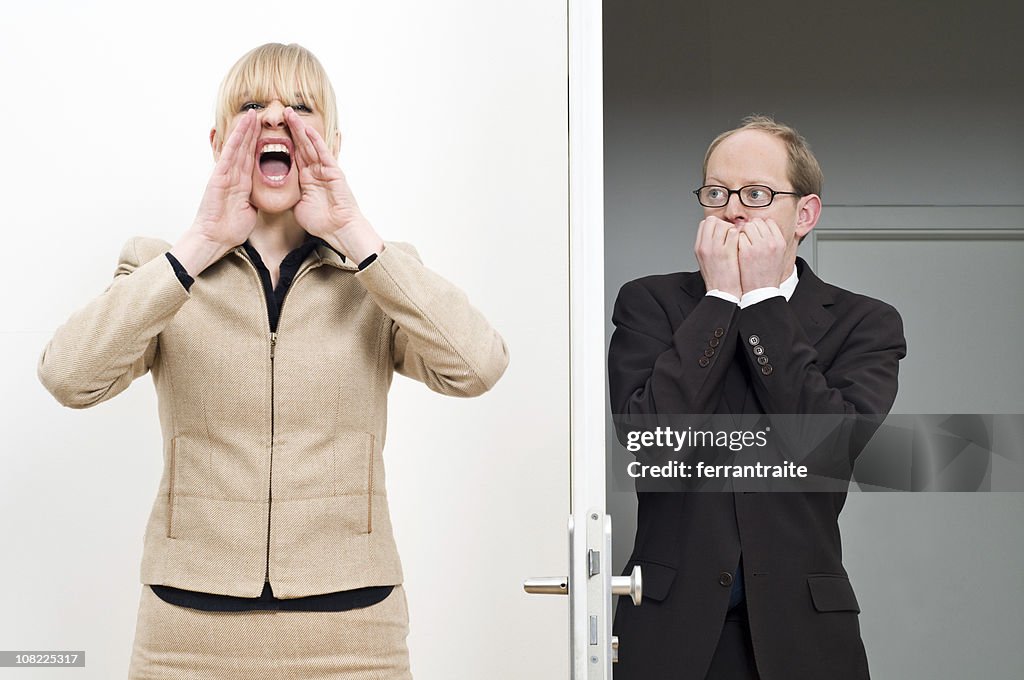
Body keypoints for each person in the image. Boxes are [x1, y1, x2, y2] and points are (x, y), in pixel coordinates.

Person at [37, 42, 509, 679]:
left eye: (301, 107)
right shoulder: (160, 267)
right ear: (216, 141)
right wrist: (199, 245)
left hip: (352, 636)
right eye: (251, 105)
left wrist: (355, 232)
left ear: (333, 143)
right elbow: (68, 376)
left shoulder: (379, 271)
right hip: (187, 635)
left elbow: (477, 365)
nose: (275, 118)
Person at [607, 115, 906, 680]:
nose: (733, 209)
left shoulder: (866, 323)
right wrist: (719, 298)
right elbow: (649, 440)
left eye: (757, 194)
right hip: (671, 628)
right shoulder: (649, 303)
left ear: (805, 215)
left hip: (805, 632)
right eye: (717, 193)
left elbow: (825, 447)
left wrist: (765, 300)